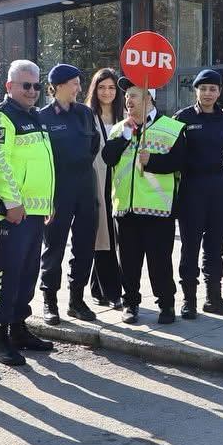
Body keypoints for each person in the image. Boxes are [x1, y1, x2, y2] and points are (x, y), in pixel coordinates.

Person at [0, 59, 56, 366]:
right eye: (26, 85)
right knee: (5, 274)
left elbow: (42, 165)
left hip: (34, 212)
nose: (32, 91)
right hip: (11, 214)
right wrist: (11, 203)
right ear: (9, 86)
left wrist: (48, 202)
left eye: (36, 86)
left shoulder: (34, 116)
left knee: (27, 274)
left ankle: (19, 329)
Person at [102, 78, 186, 325]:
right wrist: (125, 136)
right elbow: (108, 158)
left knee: (160, 262)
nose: (128, 100)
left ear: (149, 98)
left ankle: (166, 304)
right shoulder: (119, 129)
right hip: (125, 209)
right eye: (127, 95)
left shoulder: (171, 127)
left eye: (134, 95)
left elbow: (180, 162)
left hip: (158, 209)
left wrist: (153, 162)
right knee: (128, 262)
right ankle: (130, 303)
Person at [174, 69, 223, 318]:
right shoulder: (183, 117)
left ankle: (213, 298)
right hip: (192, 189)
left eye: (213, 89)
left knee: (215, 246)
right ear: (196, 91)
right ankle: (189, 300)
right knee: (190, 246)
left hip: (219, 189)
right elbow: (170, 150)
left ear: (219, 92)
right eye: (203, 88)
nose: (208, 93)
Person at [38, 64, 100, 325]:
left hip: (85, 187)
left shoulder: (85, 113)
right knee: (54, 246)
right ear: (59, 86)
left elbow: (94, 145)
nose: (78, 88)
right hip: (58, 190)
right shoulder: (42, 117)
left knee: (84, 246)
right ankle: (49, 300)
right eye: (74, 83)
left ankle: (76, 300)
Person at [86, 68, 124, 309]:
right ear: (95, 89)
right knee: (104, 236)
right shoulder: (88, 116)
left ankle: (97, 288)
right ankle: (112, 291)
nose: (107, 92)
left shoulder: (124, 115)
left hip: (120, 183)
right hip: (96, 181)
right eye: (101, 87)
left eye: (111, 87)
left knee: (113, 237)